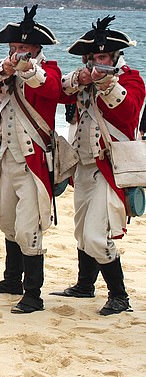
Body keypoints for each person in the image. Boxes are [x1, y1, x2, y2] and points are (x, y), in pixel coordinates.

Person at [52, 16, 145, 315]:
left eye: (102, 56)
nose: (96, 61)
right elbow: (57, 91)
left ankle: (119, 296)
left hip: (110, 167)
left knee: (95, 236)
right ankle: (84, 285)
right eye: (92, 57)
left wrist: (105, 82)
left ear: (115, 57)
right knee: (81, 231)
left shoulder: (131, 79)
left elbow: (129, 112)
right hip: (83, 166)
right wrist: (79, 78)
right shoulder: (84, 79)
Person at [0, 5, 61, 314]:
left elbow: (50, 88)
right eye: (14, 47)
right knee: (7, 222)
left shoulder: (50, 70)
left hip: (34, 162)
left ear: (36, 49)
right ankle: (11, 280)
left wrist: (26, 68)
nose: (17, 51)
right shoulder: (5, 70)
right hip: (6, 158)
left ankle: (33, 294)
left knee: (28, 228)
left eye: (22, 47)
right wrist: (7, 67)